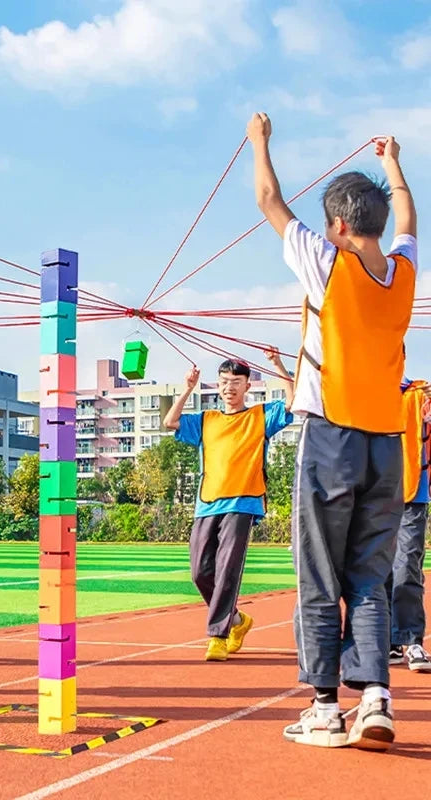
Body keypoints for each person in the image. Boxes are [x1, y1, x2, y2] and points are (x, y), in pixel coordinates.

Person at [249, 111, 417, 750]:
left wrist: (259, 141)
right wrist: (393, 162)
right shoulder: (402, 272)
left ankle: (324, 705)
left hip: (331, 440)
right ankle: (375, 697)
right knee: (369, 578)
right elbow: (407, 220)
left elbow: (268, 199)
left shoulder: (328, 263)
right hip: (385, 446)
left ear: (340, 227)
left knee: (319, 574)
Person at [163, 348, 294, 662]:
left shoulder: (260, 416)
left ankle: (217, 636)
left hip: (244, 503)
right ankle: (236, 620)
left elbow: (293, 401)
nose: (229, 387)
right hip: (207, 503)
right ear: (218, 387)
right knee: (199, 572)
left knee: (226, 571)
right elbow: (171, 422)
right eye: (224, 382)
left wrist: (277, 365)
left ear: (247, 386)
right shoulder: (206, 420)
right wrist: (188, 388)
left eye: (236, 381)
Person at [387, 373, 431, 672]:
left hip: (413, 493)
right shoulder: (362, 389)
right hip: (372, 495)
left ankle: (412, 639)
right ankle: (386, 639)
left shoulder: (420, 393)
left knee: (406, 567)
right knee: (375, 573)